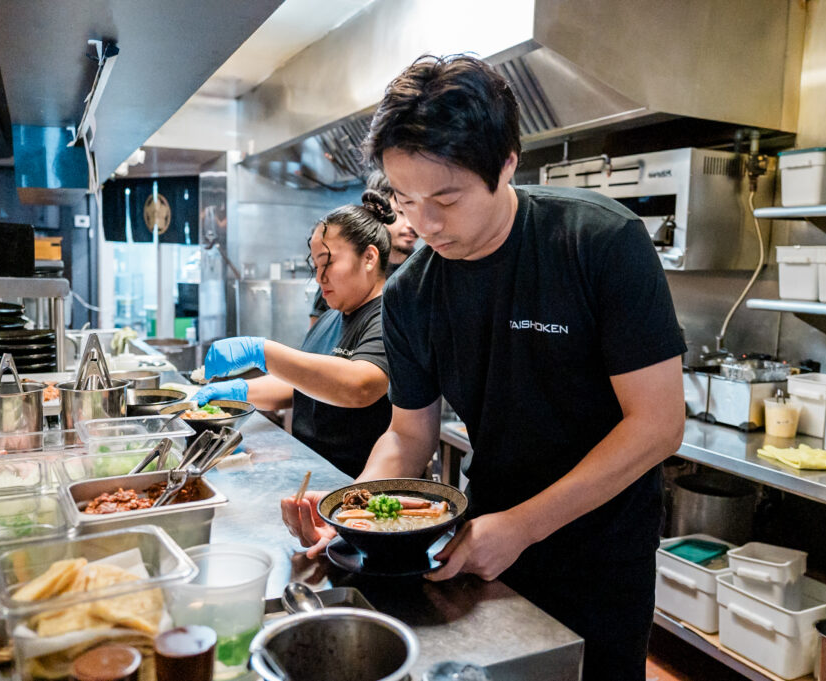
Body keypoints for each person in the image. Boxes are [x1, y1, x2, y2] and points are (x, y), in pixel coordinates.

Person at [281, 55, 686, 680]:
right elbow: (408, 433)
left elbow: (658, 424)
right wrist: (354, 513)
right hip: (480, 539)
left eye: (447, 197)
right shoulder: (413, 291)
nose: (425, 223)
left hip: (601, 551)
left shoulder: (597, 242)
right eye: (406, 200)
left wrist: (523, 526)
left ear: (506, 165)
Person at [194, 193, 396, 477]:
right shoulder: (331, 317)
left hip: (358, 485)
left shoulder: (389, 317)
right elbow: (302, 384)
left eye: (327, 262)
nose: (319, 277)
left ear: (369, 258)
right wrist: (236, 393)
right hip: (315, 471)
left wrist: (262, 351)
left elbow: (360, 385)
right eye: (315, 266)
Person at [308, 170, 417, 324]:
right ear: (379, 208)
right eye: (400, 212)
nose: (411, 224)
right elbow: (316, 333)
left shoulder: (423, 272)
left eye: (414, 213)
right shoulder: (342, 274)